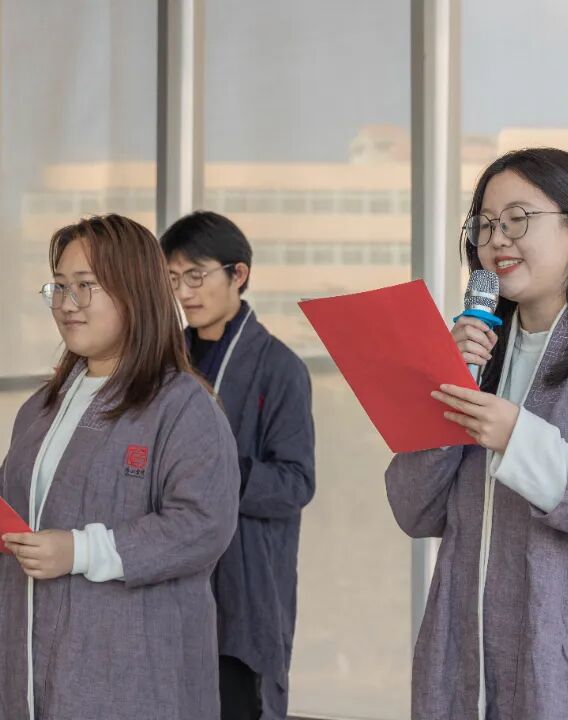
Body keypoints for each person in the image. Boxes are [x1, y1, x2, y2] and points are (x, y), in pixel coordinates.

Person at [385, 148, 568, 719]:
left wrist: (519, 439)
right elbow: (414, 510)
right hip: (471, 661)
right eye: (484, 225)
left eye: (517, 220)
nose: (496, 240)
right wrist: (445, 382)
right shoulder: (475, 351)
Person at [0, 214, 240, 720]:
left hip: (129, 684)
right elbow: (13, 526)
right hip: (20, 679)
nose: (66, 303)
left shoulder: (182, 405)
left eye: (85, 286)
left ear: (135, 291)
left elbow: (202, 525)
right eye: (59, 286)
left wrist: (79, 550)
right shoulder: (40, 409)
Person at [160, 211, 315, 720]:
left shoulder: (280, 367)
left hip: (242, 592)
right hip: (168, 582)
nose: (184, 292)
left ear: (238, 274)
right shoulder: (162, 365)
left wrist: (217, 474)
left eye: (196, 275)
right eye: (173, 279)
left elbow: (296, 483)